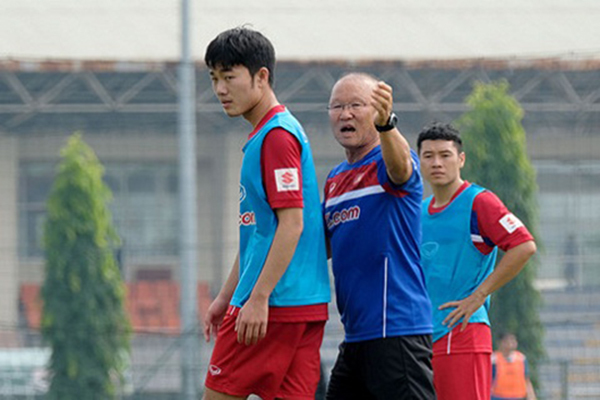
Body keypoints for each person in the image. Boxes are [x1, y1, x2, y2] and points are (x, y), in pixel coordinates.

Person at [202, 27, 330, 400]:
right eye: (214, 78)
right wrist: (225, 296)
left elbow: (292, 224)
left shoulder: (275, 136)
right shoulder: (274, 134)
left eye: (229, 76)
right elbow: (260, 235)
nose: (220, 90)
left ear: (262, 77)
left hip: (274, 304)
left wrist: (256, 298)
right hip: (304, 304)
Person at [323, 72, 435, 399]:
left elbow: (401, 169)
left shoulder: (388, 160)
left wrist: (388, 126)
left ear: (377, 111)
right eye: (337, 106)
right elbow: (318, 243)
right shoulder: (334, 179)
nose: (345, 114)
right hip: (356, 336)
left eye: (356, 105)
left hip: (397, 331)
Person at [417, 122, 537, 400]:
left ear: (461, 159)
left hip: (462, 334)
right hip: (422, 338)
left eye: (445, 155)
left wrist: (478, 295)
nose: (437, 162)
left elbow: (524, 246)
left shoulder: (479, 202)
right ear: (419, 161)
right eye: (429, 155)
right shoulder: (419, 211)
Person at [492, 332, 537, 400]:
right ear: (500, 343)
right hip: (497, 396)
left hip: (518, 396)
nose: (510, 343)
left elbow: (526, 380)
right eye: (507, 341)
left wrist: (531, 396)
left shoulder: (521, 358)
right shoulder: (493, 359)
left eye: (512, 340)